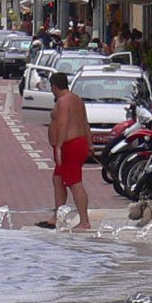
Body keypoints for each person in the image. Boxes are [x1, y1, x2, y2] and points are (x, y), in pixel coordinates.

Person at [42, 72, 92, 231]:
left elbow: (63, 124)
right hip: (79, 142)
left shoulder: (64, 101)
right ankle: (58, 215)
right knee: (58, 179)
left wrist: (58, 146)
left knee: (74, 182)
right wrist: (89, 144)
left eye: (51, 88)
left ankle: (84, 221)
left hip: (70, 144)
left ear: (54, 87)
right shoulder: (77, 99)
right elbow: (85, 122)